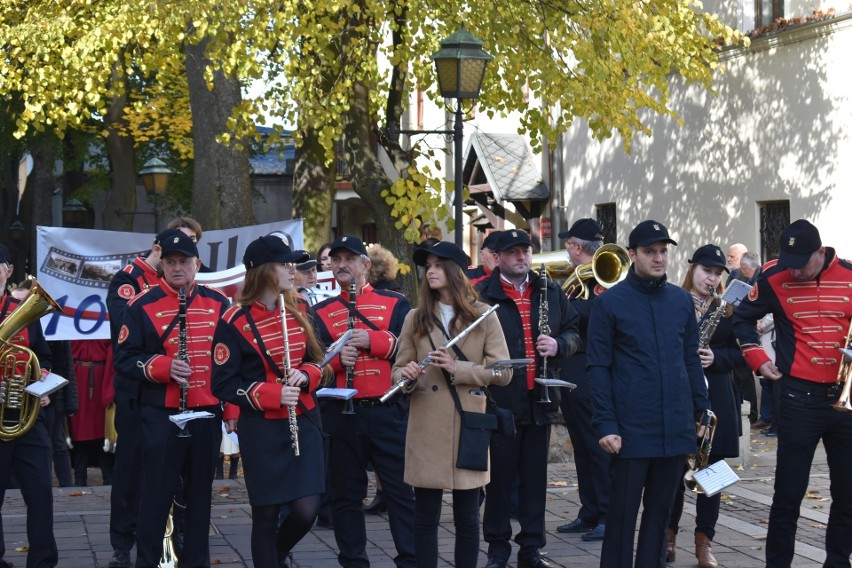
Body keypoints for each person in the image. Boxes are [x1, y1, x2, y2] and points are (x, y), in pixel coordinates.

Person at [588, 220, 710, 568]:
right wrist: (606, 424)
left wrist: (701, 408)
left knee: (660, 517)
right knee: (622, 516)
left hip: (675, 426)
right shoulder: (609, 304)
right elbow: (597, 367)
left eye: (663, 252)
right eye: (649, 252)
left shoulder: (680, 301)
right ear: (632, 255)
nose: (658, 258)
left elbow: (689, 358)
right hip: (630, 428)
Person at [733, 219, 852, 567]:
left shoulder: (849, 274)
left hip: (845, 398)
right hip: (799, 397)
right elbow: (742, 319)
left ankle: (837, 562)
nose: (795, 271)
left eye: (802, 262)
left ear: (820, 252)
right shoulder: (773, 277)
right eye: (790, 262)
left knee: (847, 495)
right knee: (787, 496)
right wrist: (758, 359)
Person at [113, 231, 229, 568]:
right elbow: (124, 358)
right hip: (161, 413)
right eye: (171, 262)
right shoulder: (140, 305)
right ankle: (148, 561)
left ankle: (196, 561)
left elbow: (232, 359)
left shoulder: (219, 302)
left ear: (198, 264)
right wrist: (162, 367)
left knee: (200, 495)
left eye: (184, 262)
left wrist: (231, 407)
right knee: (156, 493)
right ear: (161, 264)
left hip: (206, 409)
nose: (177, 268)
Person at [393, 241, 512, 568]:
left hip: (467, 426)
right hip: (426, 426)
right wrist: (406, 375)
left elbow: (503, 372)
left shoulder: (484, 316)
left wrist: (458, 369)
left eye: (437, 265)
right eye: (427, 265)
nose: (430, 271)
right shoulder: (415, 318)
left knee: (467, 518)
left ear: (456, 271)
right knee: (425, 517)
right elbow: (397, 372)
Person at [212, 236, 326, 568]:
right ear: (264, 271)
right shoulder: (234, 322)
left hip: (304, 421)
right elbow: (223, 384)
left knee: (307, 511)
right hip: (261, 429)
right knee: (266, 513)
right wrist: (274, 394)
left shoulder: (301, 308)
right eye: (284, 265)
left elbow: (321, 361)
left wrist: (306, 376)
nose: (293, 271)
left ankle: (274, 555)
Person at [475, 229, 581, 568]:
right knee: (500, 481)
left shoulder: (549, 290)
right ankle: (497, 549)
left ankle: (531, 549)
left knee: (535, 480)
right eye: (514, 252)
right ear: (498, 257)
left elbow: (575, 331)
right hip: (501, 399)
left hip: (542, 398)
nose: (522, 257)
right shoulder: (482, 295)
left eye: (526, 251)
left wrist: (559, 345)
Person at [311, 234, 416, 568]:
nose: (342, 265)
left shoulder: (395, 303)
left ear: (365, 265)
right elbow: (311, 366)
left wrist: (374, 340)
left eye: (349, 259)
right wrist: (340, 360)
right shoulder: (319, 311)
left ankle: (411, 560)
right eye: (337, 260)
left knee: (400, 492)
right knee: (345, 495)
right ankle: (353, 561)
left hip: (388, 410)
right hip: (342, 414)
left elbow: (411, 350)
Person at [667, 244, 743, 567]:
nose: (710, 278)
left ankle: (704, 544)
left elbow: (742, 354)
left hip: (718, 402)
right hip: (680, 400)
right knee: (673, 475)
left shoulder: (728, 310)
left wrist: (717, 357)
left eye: (716, 274)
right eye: (705, 271)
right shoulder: (673, 303)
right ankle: (667, 537)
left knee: (712, 477)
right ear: (692, 270)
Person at [105, 228, 174, 568]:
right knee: (130, 467)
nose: (180, 262)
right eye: (173, 255)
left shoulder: (183, 286)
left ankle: (163, 536)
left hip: (168, 391)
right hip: (135, 390)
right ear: (158, 249)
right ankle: (122, 541)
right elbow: (124, 329)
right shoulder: (127, 278)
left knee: (165, 468)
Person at [0, 243, 58, 568]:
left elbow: (44, 356)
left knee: (40, 493)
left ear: (8, 271)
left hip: (26, 417)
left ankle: (43, 560)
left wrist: (42, 384)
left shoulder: (23, 311)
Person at [554, 219, 611, 542]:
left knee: (597, 445)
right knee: (582, 446)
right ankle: (589, 510)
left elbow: (602, 312)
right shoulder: (575, 281)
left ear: (577, 246)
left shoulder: (605, 275)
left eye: (569, 245)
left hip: (592, 368)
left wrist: (566, 306)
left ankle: (607, 512)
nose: (567, 251)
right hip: (573, 368)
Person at [69, 339, 115, 486]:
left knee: (104, 430)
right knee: (79, 430)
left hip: (102, 375)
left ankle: (108, 476)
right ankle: (80, 477)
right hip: (76, 375)